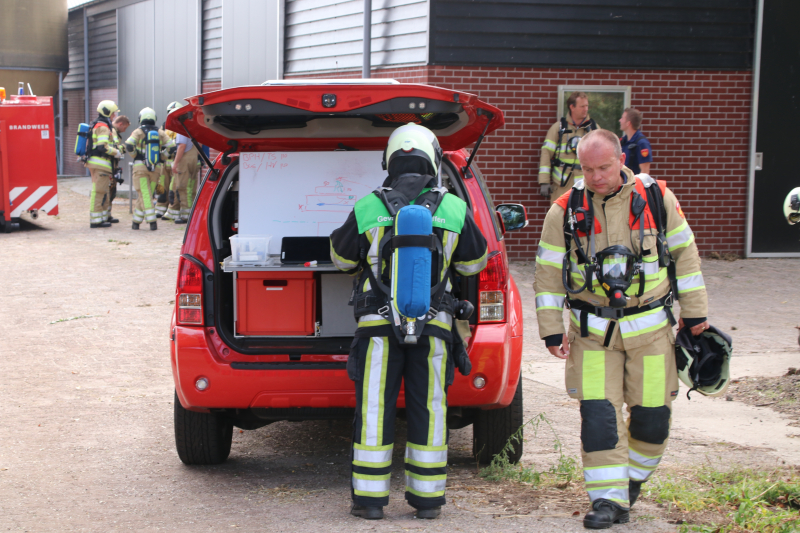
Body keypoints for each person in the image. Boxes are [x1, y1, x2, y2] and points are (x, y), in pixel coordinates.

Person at [533, 129, 708, 529]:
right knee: (599, 417)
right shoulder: (565, 210)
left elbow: (686, 257)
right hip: (593, 336)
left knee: (651, 419)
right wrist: (551, 330)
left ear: (620, 160)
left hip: (650, 335)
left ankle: (630, 483)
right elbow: (546, 276)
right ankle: (608, 501)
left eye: (604, 168)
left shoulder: (657, 199)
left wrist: (695, 314)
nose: (596, 177)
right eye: (588, 169)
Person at [330, 123, 488, 521]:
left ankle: (368, 501)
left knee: (375, 409)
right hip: (434, 327)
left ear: (390, 160)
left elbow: (342, 259)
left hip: (377, 328)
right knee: (430, 407)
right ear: (433, 159)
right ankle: (428, 501)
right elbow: (474, 262)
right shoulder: (453, 207)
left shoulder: (368, 206)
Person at [538, 91, 598, 203]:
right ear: (572, 107)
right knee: (558, 217)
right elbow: (546, 154)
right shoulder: (558, 128)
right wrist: (544, 182)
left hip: (585, 185)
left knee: (583, 218)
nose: (586, 109)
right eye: (582, 106)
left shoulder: (594, 129)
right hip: (561, 184)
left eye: (587, 106)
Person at [125, 107, 170, 230]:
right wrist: (161, 157)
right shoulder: (161, 133)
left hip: (140, 168)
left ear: (141, 118)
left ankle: (152, 221)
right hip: (156, 169)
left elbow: (129, 145)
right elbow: (172, 147)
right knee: (146, 194)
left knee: (145, 193)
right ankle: (136, 221)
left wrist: (135, 155)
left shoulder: (138, 132)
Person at [86, 100, 123, 228]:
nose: (114, 116)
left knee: (103, 191)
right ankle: (96, 220)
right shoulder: (103, 126)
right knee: (99, 192)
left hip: (102, 165)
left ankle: (101, 217)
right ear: (107, 112)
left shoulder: (101, 125)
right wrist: (116, 152)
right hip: (100, 164)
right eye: (113, 113)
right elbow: (102, 147)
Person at [165, 131, 199, 224]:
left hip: (184, 159)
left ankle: (186, 215)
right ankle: (191, 212)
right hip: (194, 158)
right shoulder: (192, 128)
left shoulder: (181, 131)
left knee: (183, 187)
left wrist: (175, 163)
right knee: (191, 187)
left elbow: (182, 146)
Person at [156, 101, 181, 218]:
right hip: (165, 162)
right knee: (162, 187)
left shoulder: (182, 126)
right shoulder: (164, 125)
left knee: (173, 188)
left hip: (176, 162)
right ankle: (160, 207)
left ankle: (172, 210)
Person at [107, 115, 130, 224]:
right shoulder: (113, 132)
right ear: (120, 124)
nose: (124, 131)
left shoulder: (112, 131)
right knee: (109, 191)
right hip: (110, 166)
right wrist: (124, 147)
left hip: (112, 165)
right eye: (124, 128)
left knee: (111, 191)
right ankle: (106, 215)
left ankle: (107, 214)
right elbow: (115, 149)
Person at [619, 108, 652, 175]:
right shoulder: (623, 141)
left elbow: (645, 172)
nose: (620, 120)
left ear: (628, 123)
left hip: (634, 184)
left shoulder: (642, 144)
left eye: (622, 118)